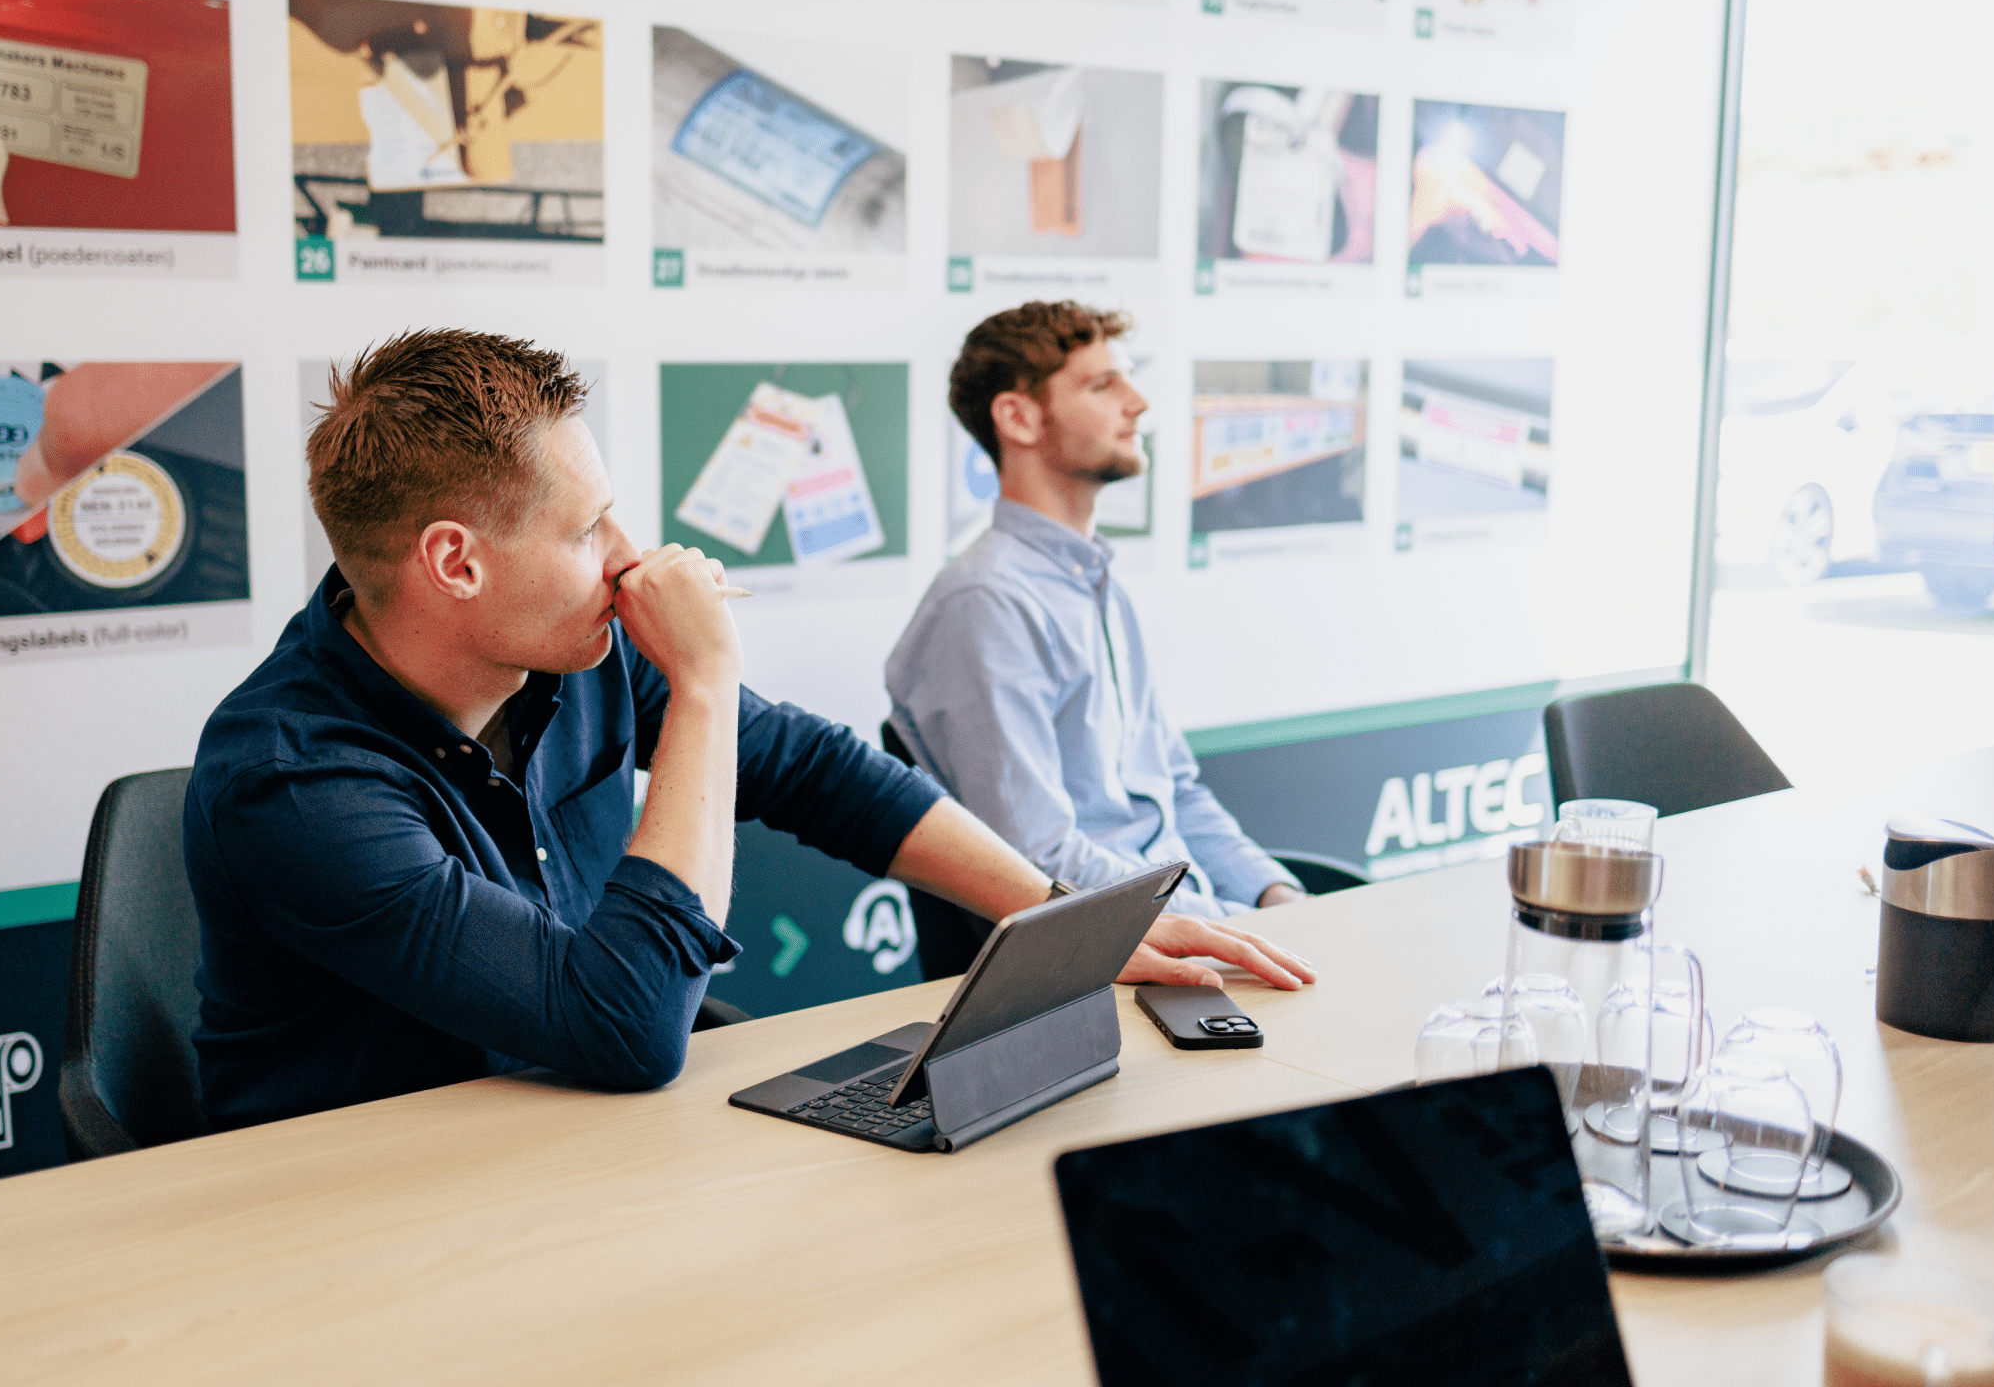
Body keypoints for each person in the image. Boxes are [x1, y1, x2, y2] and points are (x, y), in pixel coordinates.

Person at [186, 329, 1314, 1130]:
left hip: (570, 1136)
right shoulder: (292, 784)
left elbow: (819, 775)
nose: (632, 551)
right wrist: (709, 685)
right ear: (455, 562)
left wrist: (1061, 918)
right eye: (589, 529)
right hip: (358, 1207)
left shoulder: (569, 647)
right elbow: (623, 1026)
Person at [887, 302, 1306, 924]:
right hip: (1101, 962)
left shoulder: (1096, 583)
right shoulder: (984, 606)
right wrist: (1227, 924)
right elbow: (1040, 860)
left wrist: (1276, 898)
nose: (1136, 402)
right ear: (1018, 418)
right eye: (1102, 384)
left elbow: (1177, 794)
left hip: (1180, 927)